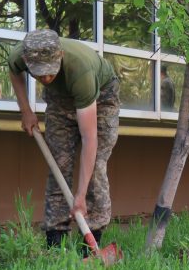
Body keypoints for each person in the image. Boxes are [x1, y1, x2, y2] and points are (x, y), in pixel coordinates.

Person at [8, 29, 120, 250]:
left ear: (59, 55)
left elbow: (90, 139)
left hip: (102, 97)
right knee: (58, 165)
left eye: (50, 72)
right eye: (39, 74)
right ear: (26, 61)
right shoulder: (18, 55)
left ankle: (91, 242)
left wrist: (80, 195)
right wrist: (26, 111)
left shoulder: (81, 71)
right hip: (59, 100)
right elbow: (14, 71)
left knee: (96, 166)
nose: (46, 78)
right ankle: (55, 242)